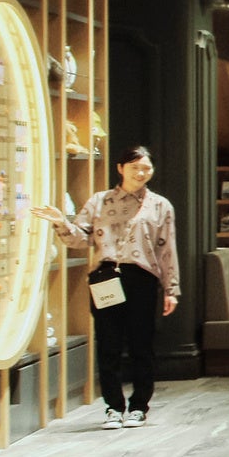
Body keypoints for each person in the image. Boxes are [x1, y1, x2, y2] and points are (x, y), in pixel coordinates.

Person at [52, 145, 179, 428]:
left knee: (141, 345)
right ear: (120, 168)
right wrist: (61, 224)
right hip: (106, 276)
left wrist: (171, 289)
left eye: (146, 168)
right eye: (135, 168)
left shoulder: (160, 205)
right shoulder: (99, 201)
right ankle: (113, 407)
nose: (141, 173)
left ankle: (139, 407)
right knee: (108, 343)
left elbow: (167, 249)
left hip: (142, 278)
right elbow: (81, 238)